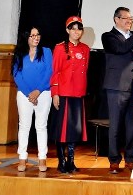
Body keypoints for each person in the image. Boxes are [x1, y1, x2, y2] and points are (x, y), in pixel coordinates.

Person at [101, 7, 133, 174]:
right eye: (126, 19)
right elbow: (121, 48)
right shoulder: (109, 37)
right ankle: (114, 160)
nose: (130, 22)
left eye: (131, 19)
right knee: (115, 126)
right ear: (116, 19)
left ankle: (130, 158)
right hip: (116, 87)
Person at [50, 16, 90, 173]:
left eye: (79, 29)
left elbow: (85, 70)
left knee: (74, 130)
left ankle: (71, 161)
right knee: (61, 130)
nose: (76, 32)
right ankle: (61, 161)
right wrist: (55, 93)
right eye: (73, 29)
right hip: (64, 93)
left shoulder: (85, 49)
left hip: (78, 93)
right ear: (67, 30)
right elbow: (55, 72)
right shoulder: (60, 48)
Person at [11, 27, 52, 172]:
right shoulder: (19, 53)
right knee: (24, 126)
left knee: (41, 126)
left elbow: (49, 72)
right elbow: (16, 74)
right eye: (32, 35)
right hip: (24, 94)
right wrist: (29, 93)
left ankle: (42, 158)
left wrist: (37, 91)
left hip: (43, 94)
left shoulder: (46, 51)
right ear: (26, 37)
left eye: (38, 34)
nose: (36, 37)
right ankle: (22, 157)